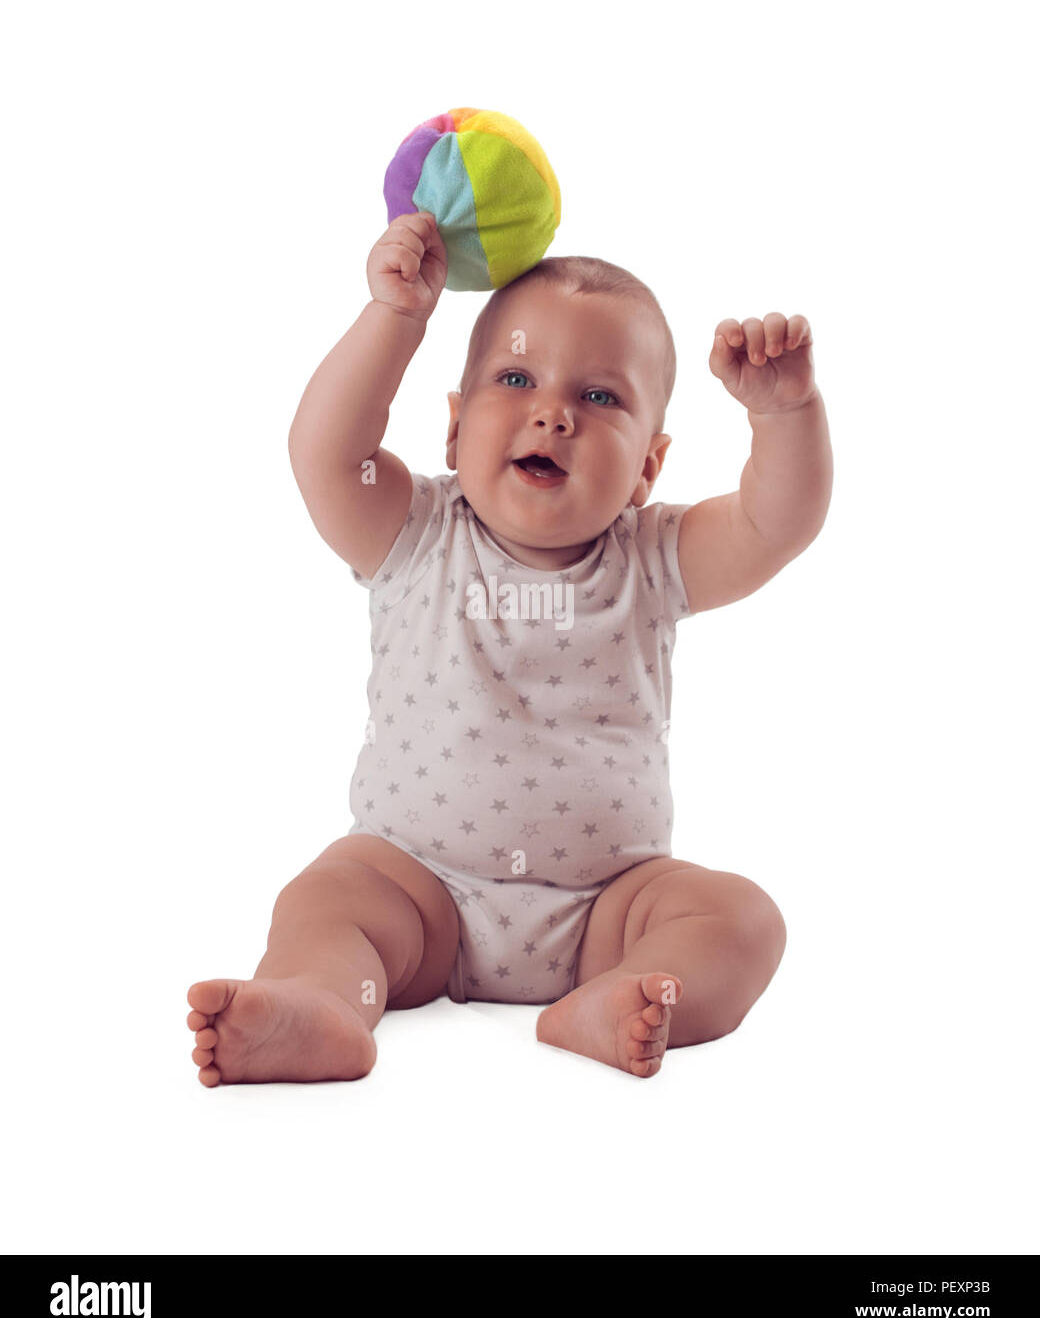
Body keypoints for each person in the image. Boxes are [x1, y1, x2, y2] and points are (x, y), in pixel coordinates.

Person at [187, 210, 833, 1083]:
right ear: (453, 428)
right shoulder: (412, 530)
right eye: (517, 377)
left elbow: (772, 523)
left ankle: (620, 999)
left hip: (609, 908)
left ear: (648, 467)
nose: (553, 415)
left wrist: (787, 413)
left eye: (600, 398)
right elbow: (323, 453)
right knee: (325, 899)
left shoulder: (653, 557)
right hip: (415, 889)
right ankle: (328, 1004)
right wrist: (398, 318)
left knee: (745, 919)